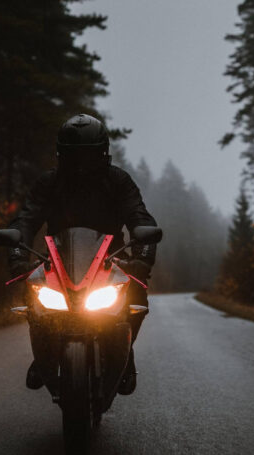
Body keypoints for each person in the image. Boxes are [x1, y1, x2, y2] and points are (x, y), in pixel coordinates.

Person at [8, 113, 158, 395]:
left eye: (88, 156)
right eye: (74, 156)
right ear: (61, 154)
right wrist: (17, 255)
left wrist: (142, 257)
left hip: (112, 261)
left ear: (102, 152)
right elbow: (25, 221)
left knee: (137, 296)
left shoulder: (118, 181)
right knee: (35, 296)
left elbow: (141, 219)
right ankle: (44, 356)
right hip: (57, 261)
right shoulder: (48, 183)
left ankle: (124, 353)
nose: (81, 164)